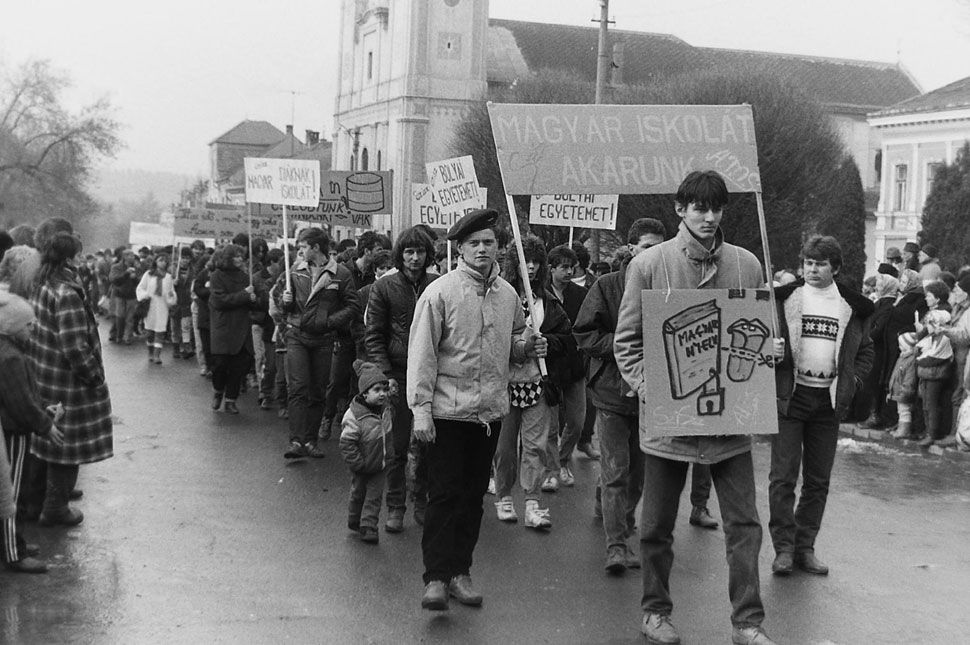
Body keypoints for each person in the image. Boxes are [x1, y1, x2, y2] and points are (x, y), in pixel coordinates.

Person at [613, 171, 778, 645]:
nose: (709, 217)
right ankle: (654, 612)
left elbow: (757, 336)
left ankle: (748, 622)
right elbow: (627, 343)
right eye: (699, 208)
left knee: (745, 525)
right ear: (680, 209)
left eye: (716, 208)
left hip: (730, 427)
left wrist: (772, 352)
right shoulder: (648, 265)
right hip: (669, 426)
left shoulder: (747, 264)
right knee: (656, 526)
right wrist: (653, 389)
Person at [408, 209, 547, 611]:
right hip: (447, 414)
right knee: (444, 495)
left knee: (471, 498)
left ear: (499, 246)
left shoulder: (507, 295)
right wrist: (420, 412)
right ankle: (435, 576)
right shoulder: (439, 293)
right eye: (474, 243)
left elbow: (516, 342)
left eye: (489, 242)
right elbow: (422, 356)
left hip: (489, 415)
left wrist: (528, 346)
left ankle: (459, 572)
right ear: (461, 249)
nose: (483, 249)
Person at [770, 235, 874, 579]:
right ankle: (783, 549)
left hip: (828, 403)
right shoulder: (784, 300)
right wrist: (770, 352)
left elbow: (866, 352)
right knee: (783, 478)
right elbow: (760, 339)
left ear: (836, 268)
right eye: (808, 263)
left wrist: (852, 381)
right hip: (791, 396)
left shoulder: (852, 308)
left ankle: (805, 547)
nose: (812, 270)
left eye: (820, 264)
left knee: (817, 481)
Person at [28, 223, 113, 527]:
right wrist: (94, 376)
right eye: (76, 256)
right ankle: (54, 508)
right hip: (67, 381)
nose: (80, 261)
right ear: (67, 260)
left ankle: (33, 503)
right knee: (67, 447)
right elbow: (75, 346)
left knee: (46, 442)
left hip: (43, 373)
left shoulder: (41, 282)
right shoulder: (65, 292)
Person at [364, 226, 437, 532]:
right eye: (409, 252)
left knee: (429, 443)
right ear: (400, 254)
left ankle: (421, 498)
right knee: (396, 445)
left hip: (432, 375)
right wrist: (384, 375)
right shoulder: (383, 287)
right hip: (396, 372)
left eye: (420, 252)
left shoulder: (438, 285)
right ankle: (396, 505)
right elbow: (374, 336)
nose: (415, 258)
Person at [495, 235, 570, 530]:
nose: (533, 267)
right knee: (504, 448)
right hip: (503, 383)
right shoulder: (499, 297)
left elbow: (567, 338)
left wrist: (548, 343)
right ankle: (503, 496)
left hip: (537, 383)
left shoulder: (549, 302)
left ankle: (532, 502)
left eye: (538, 261)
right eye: (527, 261)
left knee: (535, 446)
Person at [274, 228, 358, 459]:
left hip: (323, 339)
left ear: (316, 248)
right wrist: (285, 302)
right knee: (298, 387)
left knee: (318, 390)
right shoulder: (294, 271)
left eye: (303, 247)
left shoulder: (340, 273)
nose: (299, 251)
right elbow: (283, 308)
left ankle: (310, 441)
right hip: (297, 335)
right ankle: (296, 441)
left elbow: (352, 305)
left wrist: (330, 322)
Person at [0, 290, 66, 572]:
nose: (33, 329)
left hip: (12, 429)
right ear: (14, 327)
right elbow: (21, 402)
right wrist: (45, 424)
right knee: (10, 495)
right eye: (28, 325)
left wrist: (43, 411)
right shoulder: (11, 358)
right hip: (12, 433)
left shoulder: (10, 352)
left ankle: (15, 543)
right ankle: (14, 552)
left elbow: (25, 396)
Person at [544, 244, 588, 489]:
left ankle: (563, 459)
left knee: (577, 421)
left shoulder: (581, 295)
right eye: (564, 267)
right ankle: (552, 469)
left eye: (572, 267)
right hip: (548, 367)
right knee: (549, 425)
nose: (569, 271)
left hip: (574, 366)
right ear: (551, 269)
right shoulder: (539, 294)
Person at [339, 361, 393, 544]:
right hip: (361, 464)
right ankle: (355, 519)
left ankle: (369, 526)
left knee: (374, 497)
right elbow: (347, 443)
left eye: (385, 390)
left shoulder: (385, 410)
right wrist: (358, 463)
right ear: (364, 393)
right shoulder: (355, 415)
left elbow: (389, 435)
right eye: (377, 390)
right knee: (358, 493)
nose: (382, 394)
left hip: (380, 464)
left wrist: (390, 456)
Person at [208, 244, 259, 414]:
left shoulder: (246, 277)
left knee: (238, 366)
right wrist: (244, 295)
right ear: (228, 257)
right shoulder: (217, 276)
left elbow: (253, 302)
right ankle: (218, 391)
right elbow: (219, 301)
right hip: (223, 328)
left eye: (241, 256)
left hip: (241, 327)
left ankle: (231, 399)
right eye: (236, 256)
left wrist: (253, 298)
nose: (239, 259)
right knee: (220, 365)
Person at [913, 309, 954, 447]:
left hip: (935, 375)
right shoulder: (932, 337)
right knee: (926, 404)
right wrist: (920, 355)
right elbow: (918, 348)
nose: (927, 327)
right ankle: (927, 430)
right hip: (927, 374)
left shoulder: (944, 338)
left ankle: (932, 433)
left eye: (929, 324)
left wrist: (919, 358)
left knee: (931, 404)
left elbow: (931, 358)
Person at [135, 254, 177, 364]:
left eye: (165, 261)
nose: (163, 262)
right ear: (156, 262)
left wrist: (172, 296)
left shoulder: (168, 277)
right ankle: (150, 352)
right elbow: (140, 288)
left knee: (160, 331)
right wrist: (145, 295)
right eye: (160, 260)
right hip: (150, 306)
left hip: (162, 307)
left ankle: (157, 355)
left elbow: (170, 292)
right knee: (149, 332)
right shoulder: (148, 275)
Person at [889, 332, 919, 439]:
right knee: (901, 410)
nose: (899, 346)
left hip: (905, 391)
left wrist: (906, 391)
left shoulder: (910, 360)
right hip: (900, 389)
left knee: (905, 411)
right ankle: (901, 427)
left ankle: (904, 429)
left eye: (901, 345)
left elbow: (910, 378)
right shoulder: (903, 357)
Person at [108, 249, 140, 344]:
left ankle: (127, 337)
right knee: (119, 316)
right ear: (124, 257)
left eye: (133, 255)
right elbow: (114, 280)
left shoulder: (137, 268)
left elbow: (141, 282)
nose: (132, 257)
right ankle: (118, 335)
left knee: (130, 317)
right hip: (119, 294)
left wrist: (135, 278)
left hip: (132, 295)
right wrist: (126, 273)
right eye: (130, 255)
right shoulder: (116, 267)